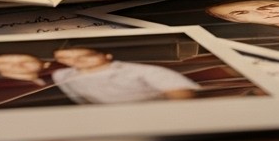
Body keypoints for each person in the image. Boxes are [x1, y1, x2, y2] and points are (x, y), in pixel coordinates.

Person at [48, 46, 198, 104]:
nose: (76, 60)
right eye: (65, 58)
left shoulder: (145, 71)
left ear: (106, 55)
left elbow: (181, 96)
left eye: (86, 55)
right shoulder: (61, 75)